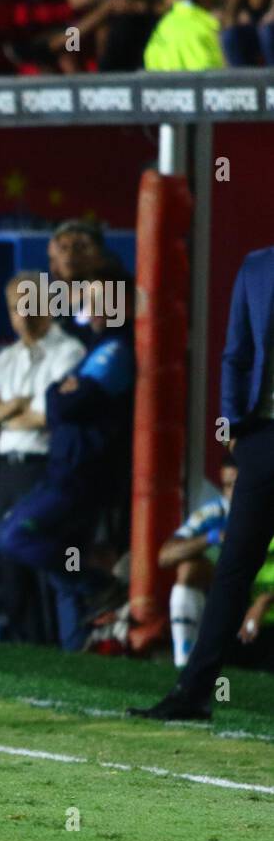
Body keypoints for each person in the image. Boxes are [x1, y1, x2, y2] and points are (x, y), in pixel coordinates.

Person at [131, 246, 274, 719]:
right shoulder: (256, 265)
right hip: (263, 438)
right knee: (234, 566)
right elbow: (236, 352)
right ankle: (191, 694)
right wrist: (233, 425)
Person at [0, 303, 135, 653]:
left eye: (103, 300)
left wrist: (56, 397)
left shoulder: (112, 348)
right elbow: (54, 398)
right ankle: (77, 647)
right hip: (64, 469)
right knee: (64, 562)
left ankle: (99, 584)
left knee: (10, 536)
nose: (92, 310)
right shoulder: (91, 347)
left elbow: (63, 406)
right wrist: (57, 395)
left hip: (78, 475)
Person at [0, 272, 86, 644]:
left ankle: (64, 643)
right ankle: (25, 645)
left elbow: (45, 416)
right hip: (5, 470)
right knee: (10, 568)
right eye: (15, 307)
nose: (23, 314)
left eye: (30, 303)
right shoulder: (5, 358)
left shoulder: (69, 351)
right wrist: (18, 406)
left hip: (44, 468)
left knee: (40, 562)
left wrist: (4, 411)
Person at [157, 457, 238, 666]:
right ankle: (184, 659)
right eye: (228, 486)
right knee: (189, 568)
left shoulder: (264, 511)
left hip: (261, 596)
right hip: (228, 591)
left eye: (239, 485)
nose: (233, 492)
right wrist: (212, 537)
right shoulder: (215, 512)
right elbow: (165, 556)